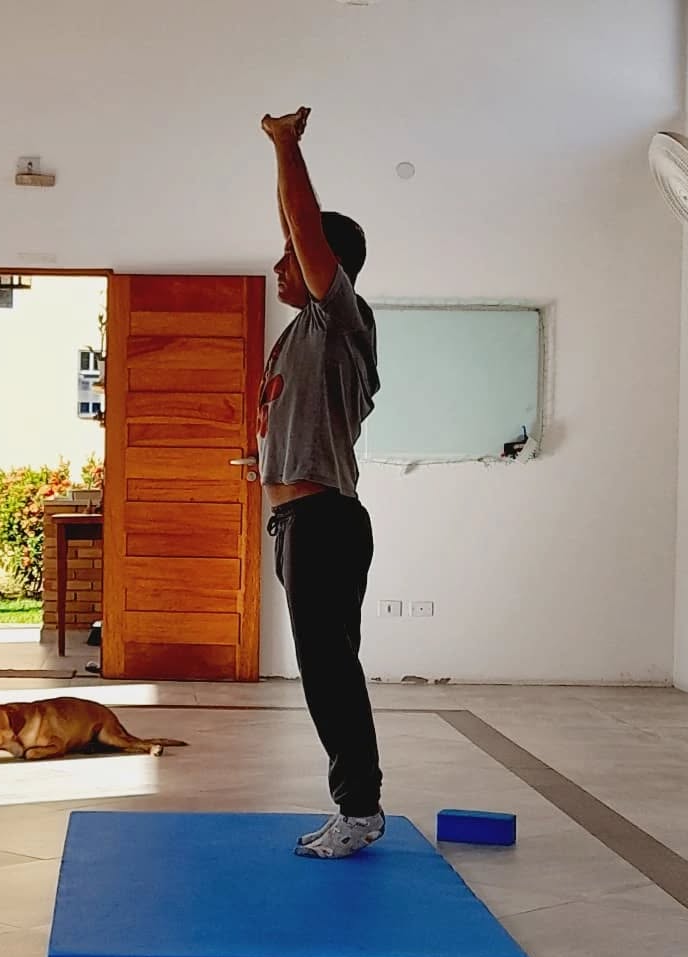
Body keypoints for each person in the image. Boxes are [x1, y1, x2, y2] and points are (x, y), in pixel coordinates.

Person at [258, 107, 384, 859]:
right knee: (325, 669)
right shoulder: (300, 334)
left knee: (328, 672)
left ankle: (360, 809)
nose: (280, 265)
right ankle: (357, 806)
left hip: (325, 522)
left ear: (323, 266)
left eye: (292, 257)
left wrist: (286, 148)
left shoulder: (341, 318)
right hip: (297, 523)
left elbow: (304, 225)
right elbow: (295, 227)